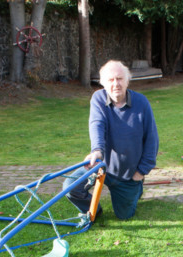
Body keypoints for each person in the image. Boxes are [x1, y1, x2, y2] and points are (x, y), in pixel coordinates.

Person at [63, 60, 159, 220]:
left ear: (128, 80)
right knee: (71, 187)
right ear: (103, 83)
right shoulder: (98, 98)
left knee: (124, 216)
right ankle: (95, 211)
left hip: (128, 175)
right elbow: (97, 124)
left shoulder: (141, 103)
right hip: (100, 166)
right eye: (111, 80)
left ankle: (137, 189)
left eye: (120, 79)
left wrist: (141, 171)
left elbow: (152, 139)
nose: (116, 84)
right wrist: (97, 151)